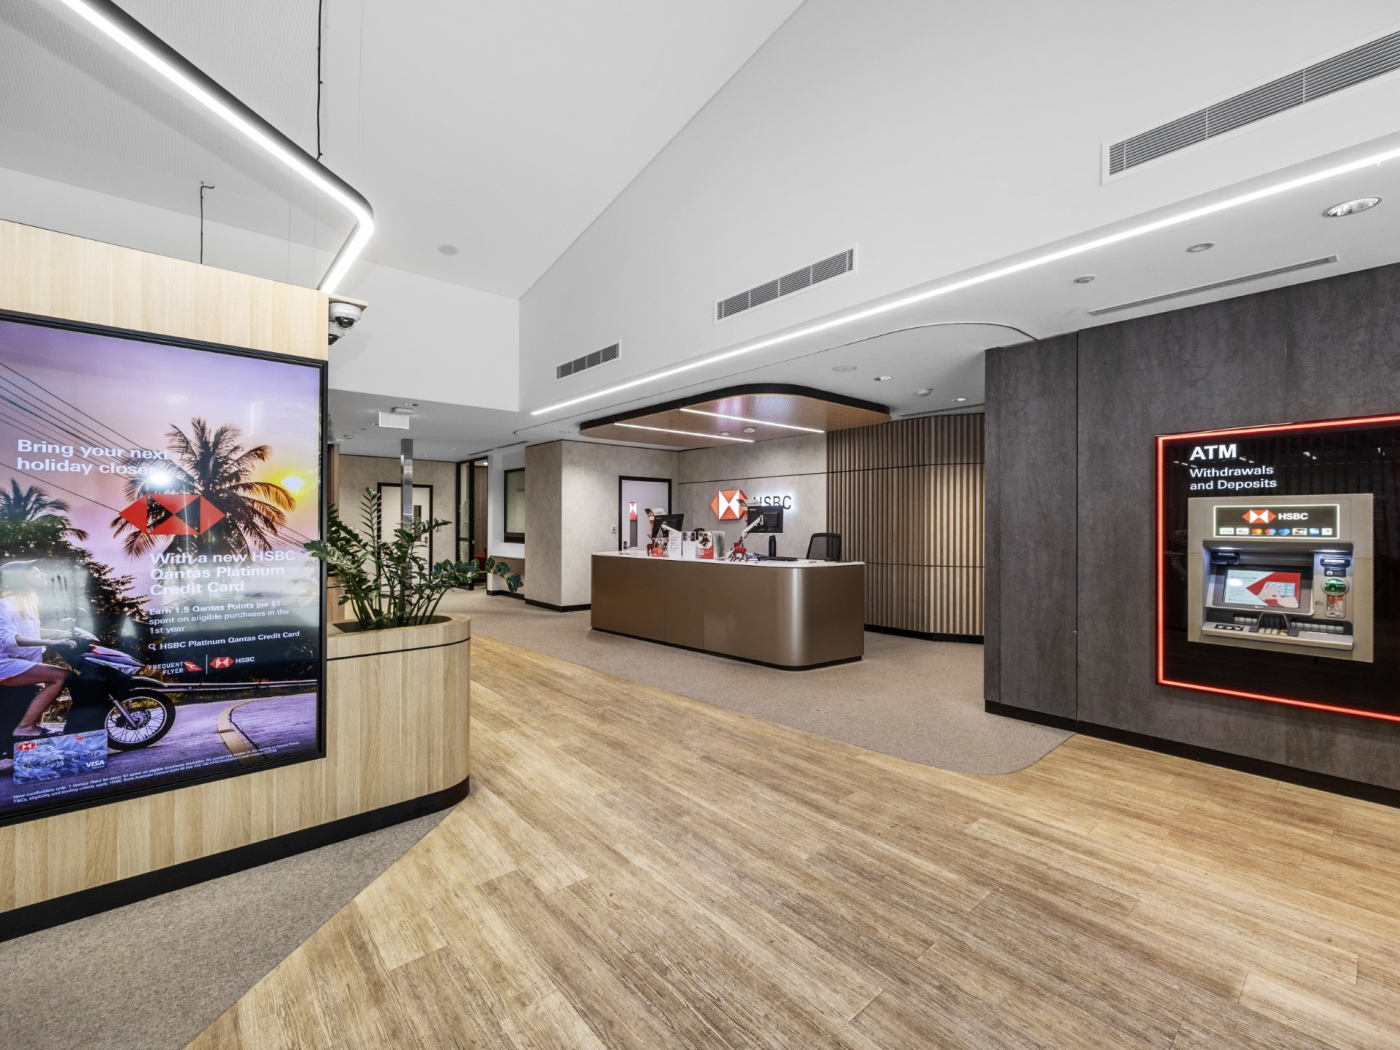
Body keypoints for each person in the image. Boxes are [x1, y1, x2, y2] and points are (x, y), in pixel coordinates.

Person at [0, 560, 75, 744]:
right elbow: (10, 638)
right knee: (62, 676)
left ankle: (32, 732)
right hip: (4, 664)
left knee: (39, 686)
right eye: (35, 572)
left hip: (18, 661)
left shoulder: (26, 602)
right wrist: (51, 642)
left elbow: (31, 631)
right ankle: (26, 727)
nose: (42, 575)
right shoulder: (5, 604)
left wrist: (60, 633)